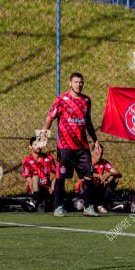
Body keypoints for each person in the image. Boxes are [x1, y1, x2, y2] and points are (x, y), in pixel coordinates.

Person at [38, 72, 101, 217]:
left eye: (81, 82)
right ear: (69, 83)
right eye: (76, 82)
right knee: (61, 176)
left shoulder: (86, 100)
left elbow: (88, 122)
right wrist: (43, 137)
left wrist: (95, 139)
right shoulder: (61, 100)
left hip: (82, 147)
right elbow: (50, 118)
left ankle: (88, 206)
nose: (79, 85)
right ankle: (58, 207)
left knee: (88, 175)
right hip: (65, 147)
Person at [77, 144, 122, 214]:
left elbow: (119, 174)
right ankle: (85, 202)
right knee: (78, 206)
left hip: (98, 188)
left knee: (115, 178)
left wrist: (109, 174)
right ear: (92, 152)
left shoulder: (104, 162)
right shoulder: (86, 161)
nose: (100, 155)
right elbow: (82, 175)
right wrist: (98, 176)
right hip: (85, 189)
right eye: (97, 153)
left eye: (101, 153)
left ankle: (101, 205)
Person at [21, 136, 57, 212]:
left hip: (47, 188)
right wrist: (35, 192)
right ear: (30, 147)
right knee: (35, 177)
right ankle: (36, 201)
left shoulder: (48, 157)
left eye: (39, 144)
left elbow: (56, 173)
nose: (38, 147)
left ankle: (55, 200)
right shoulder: (27, 160)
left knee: (58, 179)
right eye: (35, 145)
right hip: (35, 189)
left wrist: (52, 186)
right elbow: (29, 179)